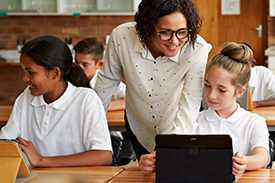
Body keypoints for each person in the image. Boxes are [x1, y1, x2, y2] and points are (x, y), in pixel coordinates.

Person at [94, 0, 212, 161]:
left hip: (177, 124)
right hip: (138, 125)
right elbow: (107, 82)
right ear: (148, 27)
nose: (175, 41)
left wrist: (171, 147)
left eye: (182, 32)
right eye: (165, 32)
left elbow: (191, 101)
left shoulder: (196, 49)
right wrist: (90, 128)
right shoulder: (122, 37)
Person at [139, 42, 269, 176]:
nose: (211, 95)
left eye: (221, 90)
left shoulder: (254, 122)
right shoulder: (193, 120)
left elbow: (262, 158)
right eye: (207, 85)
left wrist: (245, 162)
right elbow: (173, 153)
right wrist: (152, 161)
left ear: (240, 92)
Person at [0, 35, 113, 167]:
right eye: (23, 71)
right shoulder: (26, 97)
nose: (24, 78)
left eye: (30, 72)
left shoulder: (86, 99)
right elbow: (6, 142)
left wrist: (42, 161)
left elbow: (103, 155)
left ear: (55, 73)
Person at [73, 37, 126, 111]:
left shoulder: (108, 81)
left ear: (99, 65)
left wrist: (101, 106)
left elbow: (132, 101)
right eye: (76, 62)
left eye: (85, 64)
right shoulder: (69, 79)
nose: (78, 68)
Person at [240, 42, 275, 108]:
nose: (237, 68)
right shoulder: (224, 73)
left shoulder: (263, 73)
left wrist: (257, 104)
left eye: (243, 64)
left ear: (253, 63)